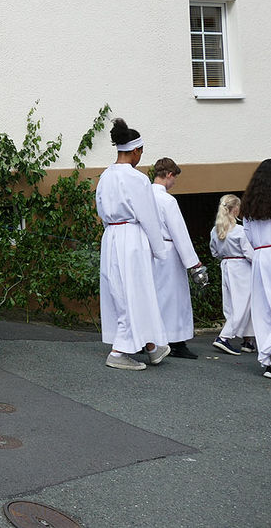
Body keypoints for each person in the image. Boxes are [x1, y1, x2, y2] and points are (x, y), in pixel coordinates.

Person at [96, 119, 171, 371]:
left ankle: (151, 345)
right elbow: (149, 216)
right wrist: (160, 250)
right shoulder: (137, 179)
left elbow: (101, 209)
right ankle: (119, 351)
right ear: (136, 150)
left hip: (111, 237)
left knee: (122, 292)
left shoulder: (105, 176)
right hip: (132, 239)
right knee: (135, 292)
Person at [151, 158, 206, 359]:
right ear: (169, 175)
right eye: (175, 179)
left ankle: (153, 340)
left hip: (149, 251)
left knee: (154, 297)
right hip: (168, 251)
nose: (174, 184)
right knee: (175, 299)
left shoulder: (144, 196)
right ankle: (176, 342)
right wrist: (193, 262)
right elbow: (179, 232)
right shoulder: (167, 200)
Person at [239, 159, 271, 380]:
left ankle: (270, 357)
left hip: (261, 257)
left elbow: (249, 236)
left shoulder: (250, 206)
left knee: (264, 310)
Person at [209, 194, 254, 355]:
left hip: (226, 265)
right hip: (242, 267)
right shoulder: (240, 230)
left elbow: (214, 252)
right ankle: (224, 337)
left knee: (232, 304)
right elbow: (250, 254)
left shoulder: (215, 230)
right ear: (235, 209)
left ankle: (248, 340)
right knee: (243, 304)